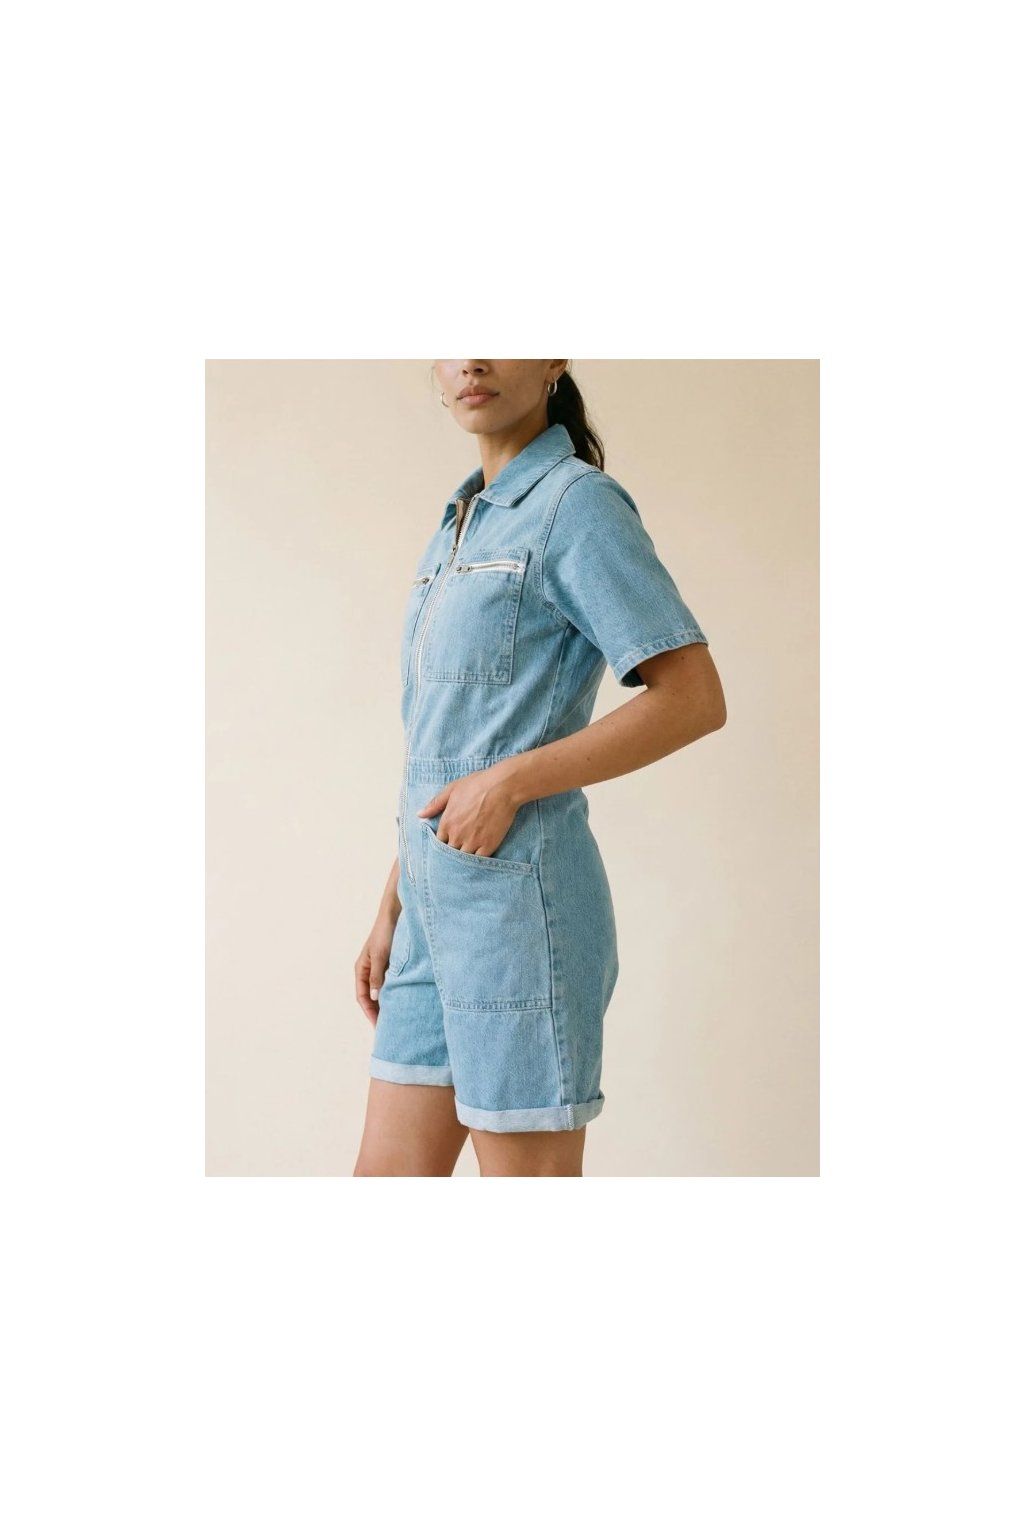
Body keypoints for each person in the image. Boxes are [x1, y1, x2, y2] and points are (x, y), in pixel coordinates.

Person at [353, 361, 726, 1177]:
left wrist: (510, 782)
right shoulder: (460, 522)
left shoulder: (576, 505)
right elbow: (452, 741)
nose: (472, 361)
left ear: (554, 355)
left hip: (519, 917)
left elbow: (694, 698)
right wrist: (393, 901)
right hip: (428, 915)